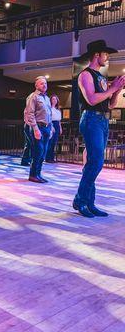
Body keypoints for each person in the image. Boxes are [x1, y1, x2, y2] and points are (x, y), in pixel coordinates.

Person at [73, 40, 125, 218]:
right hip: (91, 119)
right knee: (95, 162)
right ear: (97, 55)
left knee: (93, 163)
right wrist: (112, 89)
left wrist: (116, 91)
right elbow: (92, 100)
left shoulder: (101, 76)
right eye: (106, 54)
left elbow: (109, 105)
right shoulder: (85, 75)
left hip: (102, 120)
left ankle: (89, 202)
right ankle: (80, 200)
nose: (107, 57)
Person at [25, 76, 53, 183]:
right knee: (38, 152)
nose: (44, 85)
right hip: (38, 127)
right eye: (41, 83)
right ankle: (33, 175)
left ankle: (38, 174)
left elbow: (49, 114)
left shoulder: (46, 98)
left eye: (45, 83)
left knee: (43, 153)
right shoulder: (33, 97)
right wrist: (36, 129)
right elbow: (30, 114)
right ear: (36, 85)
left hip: (47, 128)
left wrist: (51, 129)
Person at [46, 94, 62, 163]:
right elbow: (48, 118)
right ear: (50, 100)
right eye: (53, 99)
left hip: (57, 125)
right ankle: (48, 158)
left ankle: (52, 158)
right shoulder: (49, 108)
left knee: (54, 143)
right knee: (50, 142)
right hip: (51, 124)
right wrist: (51, 126)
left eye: (55, 99)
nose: (54, 100)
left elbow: (59, 120)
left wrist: (60, 128)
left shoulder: (58, 109)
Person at [21, 94, 33, 166]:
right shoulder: (27, 109)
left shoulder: (32, 108)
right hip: (28, 126)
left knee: (30, 144)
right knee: (29, 144)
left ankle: (27, 160)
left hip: (31, 126)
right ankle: (25, 160)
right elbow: (26, 119)